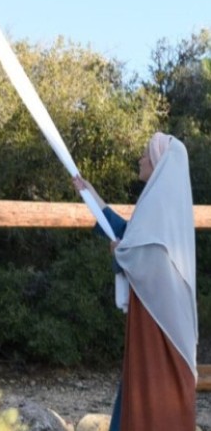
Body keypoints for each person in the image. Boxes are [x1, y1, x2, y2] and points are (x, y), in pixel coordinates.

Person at [73, 133, 197, 431]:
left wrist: (123, 253)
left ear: (158, 163)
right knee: (138, 380)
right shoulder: (156, 205)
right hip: (152, 313)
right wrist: (89, 194)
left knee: (150, 381)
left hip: (160, 321)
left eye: (145, 155)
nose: (141, 159)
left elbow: (148, 257)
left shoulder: (161, 208)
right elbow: (127, 233)